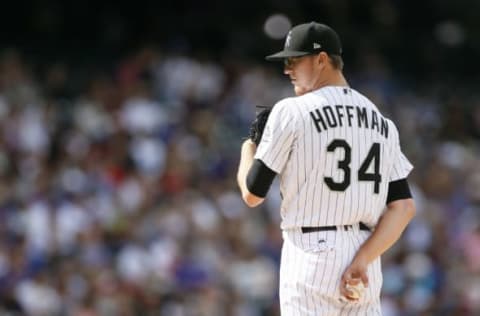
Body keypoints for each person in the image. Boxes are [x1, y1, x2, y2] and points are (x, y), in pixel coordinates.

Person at [237, 21, 416, 315]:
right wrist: (362, 259)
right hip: (365, 255)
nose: (287, 69)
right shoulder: (383, 123)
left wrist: (248, 147)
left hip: (310, 255)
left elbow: (252, 194)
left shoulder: (291, 110)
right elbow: (404, 207)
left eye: (294, 60)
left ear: (321, 59)